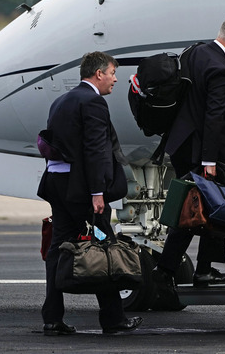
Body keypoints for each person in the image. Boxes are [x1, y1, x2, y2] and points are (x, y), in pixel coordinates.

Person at [37, 51, 142, 335]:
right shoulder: (93, 102)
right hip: (83, 192)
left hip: (58, 186)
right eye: (112, 73)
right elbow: (96, 150)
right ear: (98, 74)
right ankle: (113, 319)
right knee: (104, 247)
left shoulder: (62, 101)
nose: (115, 79)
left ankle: (52, 317)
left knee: (58, 249)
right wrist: (98, 192)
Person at [152, 16, 225, 308]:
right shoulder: (221, 70)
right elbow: (215, 117)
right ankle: (182, 270)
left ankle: (190, 269)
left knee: (197, 206)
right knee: (212, 206)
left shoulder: (196, 51)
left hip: (182, 143)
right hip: (203, 150)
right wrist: (209, 161)